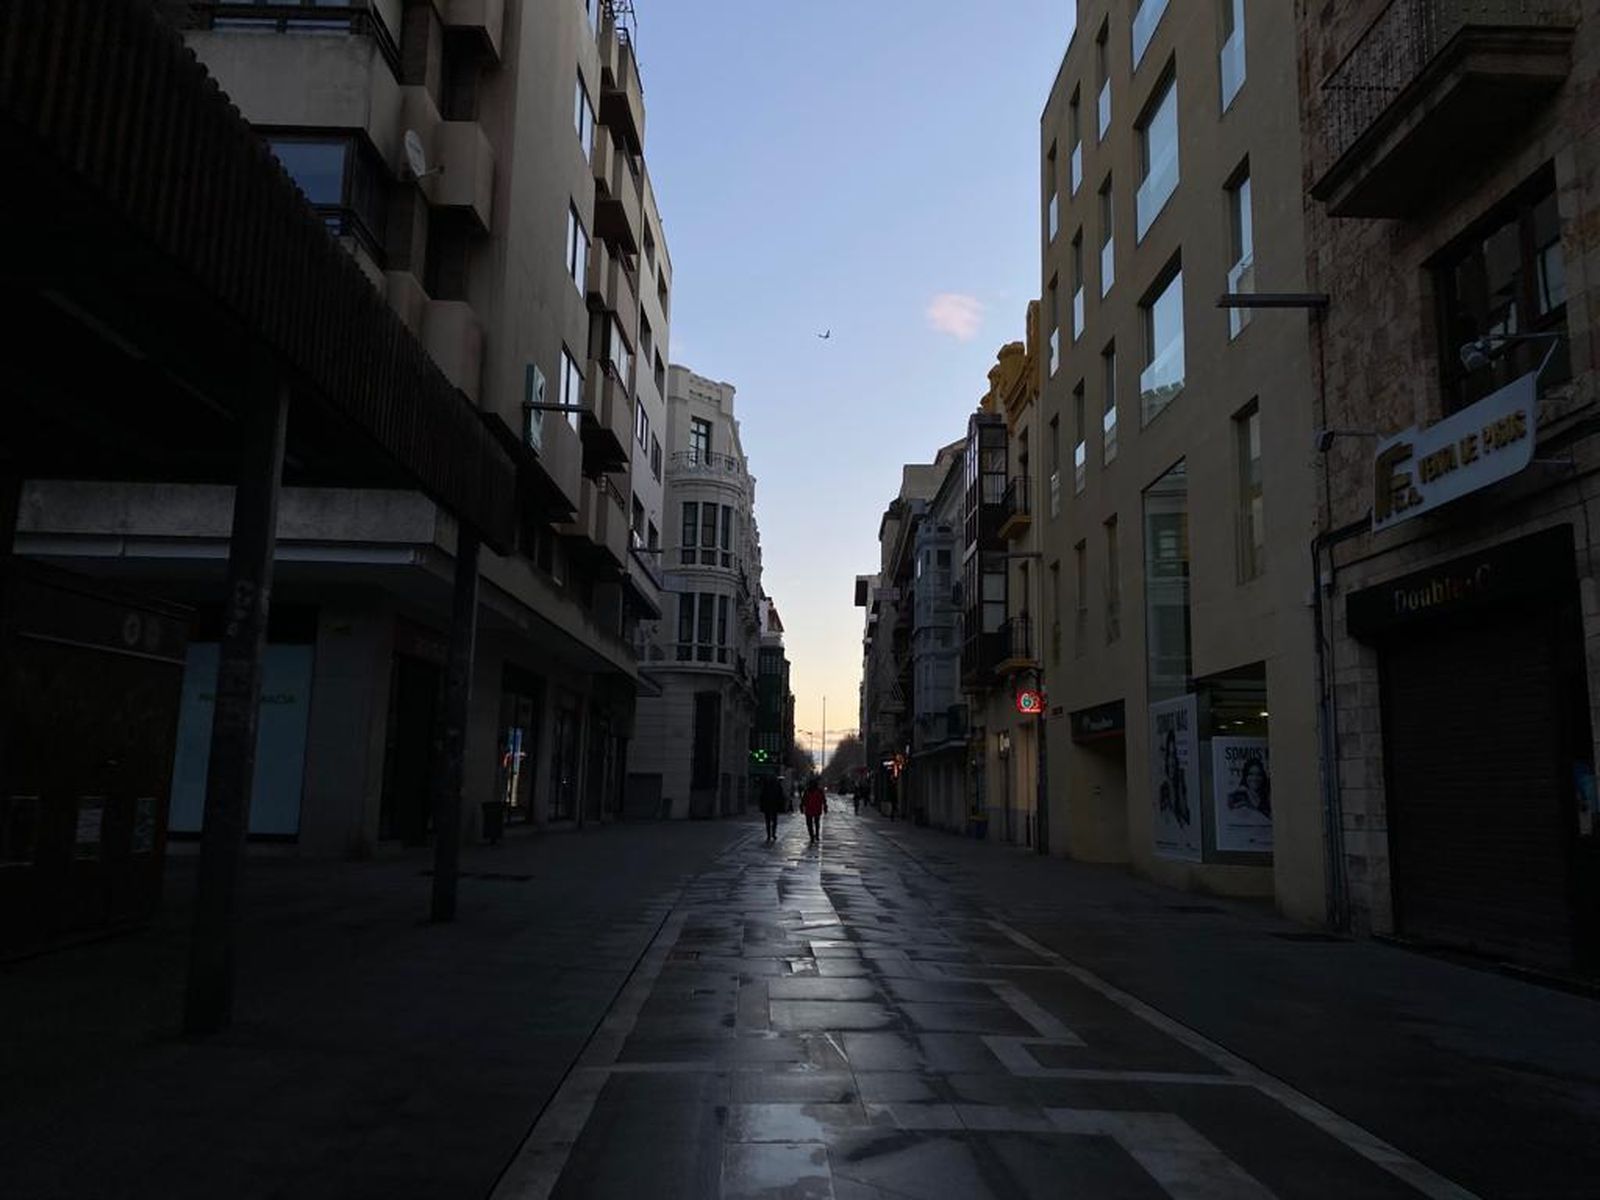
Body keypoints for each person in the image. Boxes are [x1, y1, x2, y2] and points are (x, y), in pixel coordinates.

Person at [757, 773, 785, 842]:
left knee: (768, 821)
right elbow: (781, 796)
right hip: (774, 806)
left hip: (768, 805)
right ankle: (773, 834)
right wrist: (781, 806)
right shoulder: (777, 785)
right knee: (774, 821)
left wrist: (761, 806)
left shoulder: (766, 785)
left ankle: (769, 835)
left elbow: (761, 796)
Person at [801, 776, 826, 842]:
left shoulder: (808, 791)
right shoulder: (819, 791)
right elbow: (824, 800)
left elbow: (803, 800)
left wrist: (802, 806)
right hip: (815, 809)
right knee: (815, 823)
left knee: (811, 824)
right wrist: (825, 807)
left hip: (810, 809)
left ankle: (813, 836)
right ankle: (814, 835)